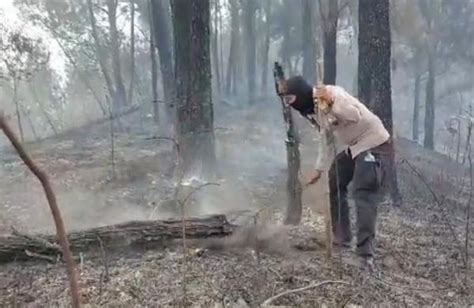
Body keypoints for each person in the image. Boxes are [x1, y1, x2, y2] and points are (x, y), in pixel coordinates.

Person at [278, 76, 391, 269]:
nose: (290, 105)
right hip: (354, 147)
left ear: (300, 94)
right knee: (334, 181)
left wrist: (331, 103)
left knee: (363, 193)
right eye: (286, 101)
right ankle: (342, 237)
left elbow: (355, 115)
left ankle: (365, 254)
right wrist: (319, 169)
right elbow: (327, 139)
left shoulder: (332, 94)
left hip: (374, 144)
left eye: (290, 99)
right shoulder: (313, 110)